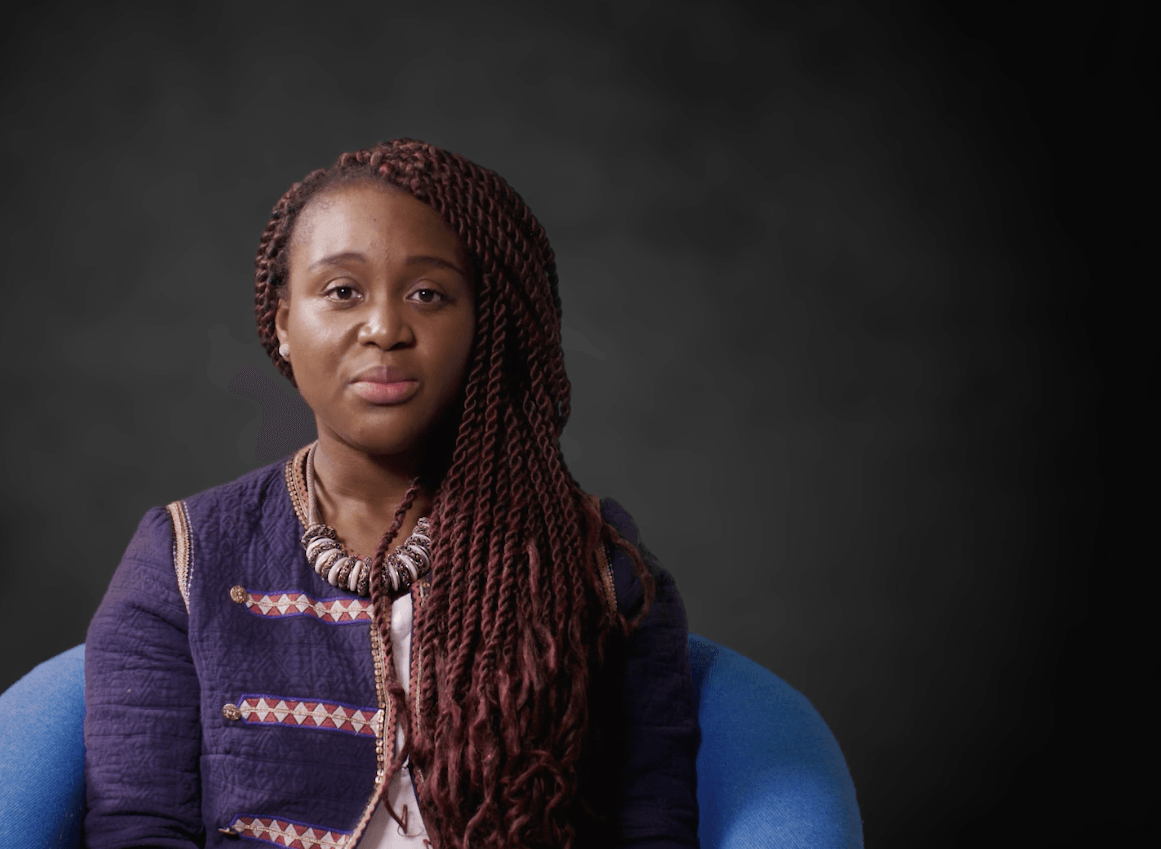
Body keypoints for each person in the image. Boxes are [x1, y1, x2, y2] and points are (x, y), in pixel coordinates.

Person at [83, 139, 699, 849]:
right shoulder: (184, 556)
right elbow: (138, 828)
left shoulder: (595, 560)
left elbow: (652, 825)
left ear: (485, 328)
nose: (384, 328)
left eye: (427, 294)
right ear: (283, 321)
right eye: (342, 291)